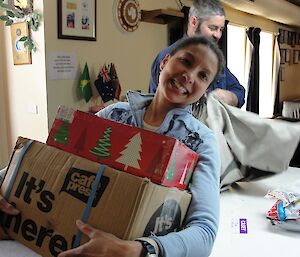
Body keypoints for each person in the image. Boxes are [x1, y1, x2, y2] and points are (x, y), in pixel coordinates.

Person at [0, 36, 224, 257]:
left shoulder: (201, 142)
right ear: (165, 61)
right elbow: (47, 163)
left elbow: (204, 232)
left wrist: (138, 250)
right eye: (186, 61)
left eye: (203, 76)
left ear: (205, 89)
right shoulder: (114, 115)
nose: (189, 76)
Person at [149, 0, 245, 108]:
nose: (218, 35)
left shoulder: (215, 62)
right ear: (194, 22)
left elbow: (240, 92)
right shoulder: (168, 56)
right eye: (212, 28)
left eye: (221, 29)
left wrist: (230, 97)